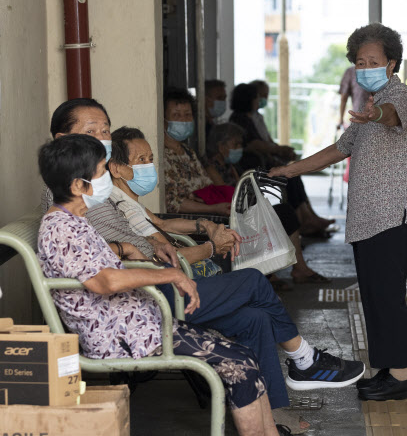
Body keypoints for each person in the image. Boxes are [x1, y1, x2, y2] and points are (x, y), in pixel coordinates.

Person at [42, 98, 365, 424]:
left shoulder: (97, 195)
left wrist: (144, 243)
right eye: (91, 131)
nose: (103, 139)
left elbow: (146, 231)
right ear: (63, 141)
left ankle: (276, 412)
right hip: (143, 307)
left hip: (147, 295)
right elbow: (107, 273)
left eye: (105, 131)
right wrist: (184, 262)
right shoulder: (79, 202)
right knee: (252, 281)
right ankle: (304, 361)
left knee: (255, 318)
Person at [37, 135, 280, 436]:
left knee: (243, 356)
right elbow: (104, 281)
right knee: (239, 365)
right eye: (101, 172)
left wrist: (124, 248)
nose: (106, 179)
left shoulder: (72, 221)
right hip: (122, 337)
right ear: (78, 186)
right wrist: (171, 275)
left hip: (140, 323)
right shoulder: (61, 228)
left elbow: (87, 261)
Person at [269, 23, 407, 401]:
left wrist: (375, 116)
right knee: (374, 294)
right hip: (370, 218)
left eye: (374, 61)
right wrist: (289, 170)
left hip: (393, 214)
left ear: (392, 64)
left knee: (387, 294)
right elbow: (340, 148)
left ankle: (402, 378)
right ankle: (388, 371)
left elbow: (391, 116)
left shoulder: (400, 96)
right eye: (360, 61)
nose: (366, 66)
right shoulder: (365, 104)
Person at [111, 125, 329, 285]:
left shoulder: (130, 199)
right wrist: (212, 247)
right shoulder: (121, 205)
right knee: (252, 280)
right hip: (180, 273)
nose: (149, 166)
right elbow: (166, 256)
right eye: (141, 160)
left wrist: (205, 225)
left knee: (255, 288)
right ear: (116, 168)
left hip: (187, 258)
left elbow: (161, 223)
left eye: (150, 159)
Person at [204, 123, 330, 284]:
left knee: (285, 212)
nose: (239, 148)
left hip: (241, 211)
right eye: (235, 144)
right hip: (228, 214)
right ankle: (270, 272)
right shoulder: (212, 168)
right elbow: (228, 196)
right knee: (276, 216)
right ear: (221, 146)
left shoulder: (230, 166)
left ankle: (298, 268)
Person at [229, 83, 335, 237]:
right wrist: (277, 152)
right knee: (288, 176)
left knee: (294, 172)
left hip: (266, 160)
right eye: (258, 97)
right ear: (248, 99)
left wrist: (280, 151)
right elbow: (254, 144)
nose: (260, 100)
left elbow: (268, 142)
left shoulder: (256, 117)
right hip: (252, 165)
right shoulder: (240, 119)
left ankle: (308, 215)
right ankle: (302, 219)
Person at [163, 87, 231, 216]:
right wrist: (213, 209)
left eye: (188, 115)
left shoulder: (188, 152)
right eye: (176, 115)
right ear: (163, 121)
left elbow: (207, 187)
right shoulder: (160, 156)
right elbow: (172, 202)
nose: (183, 120)